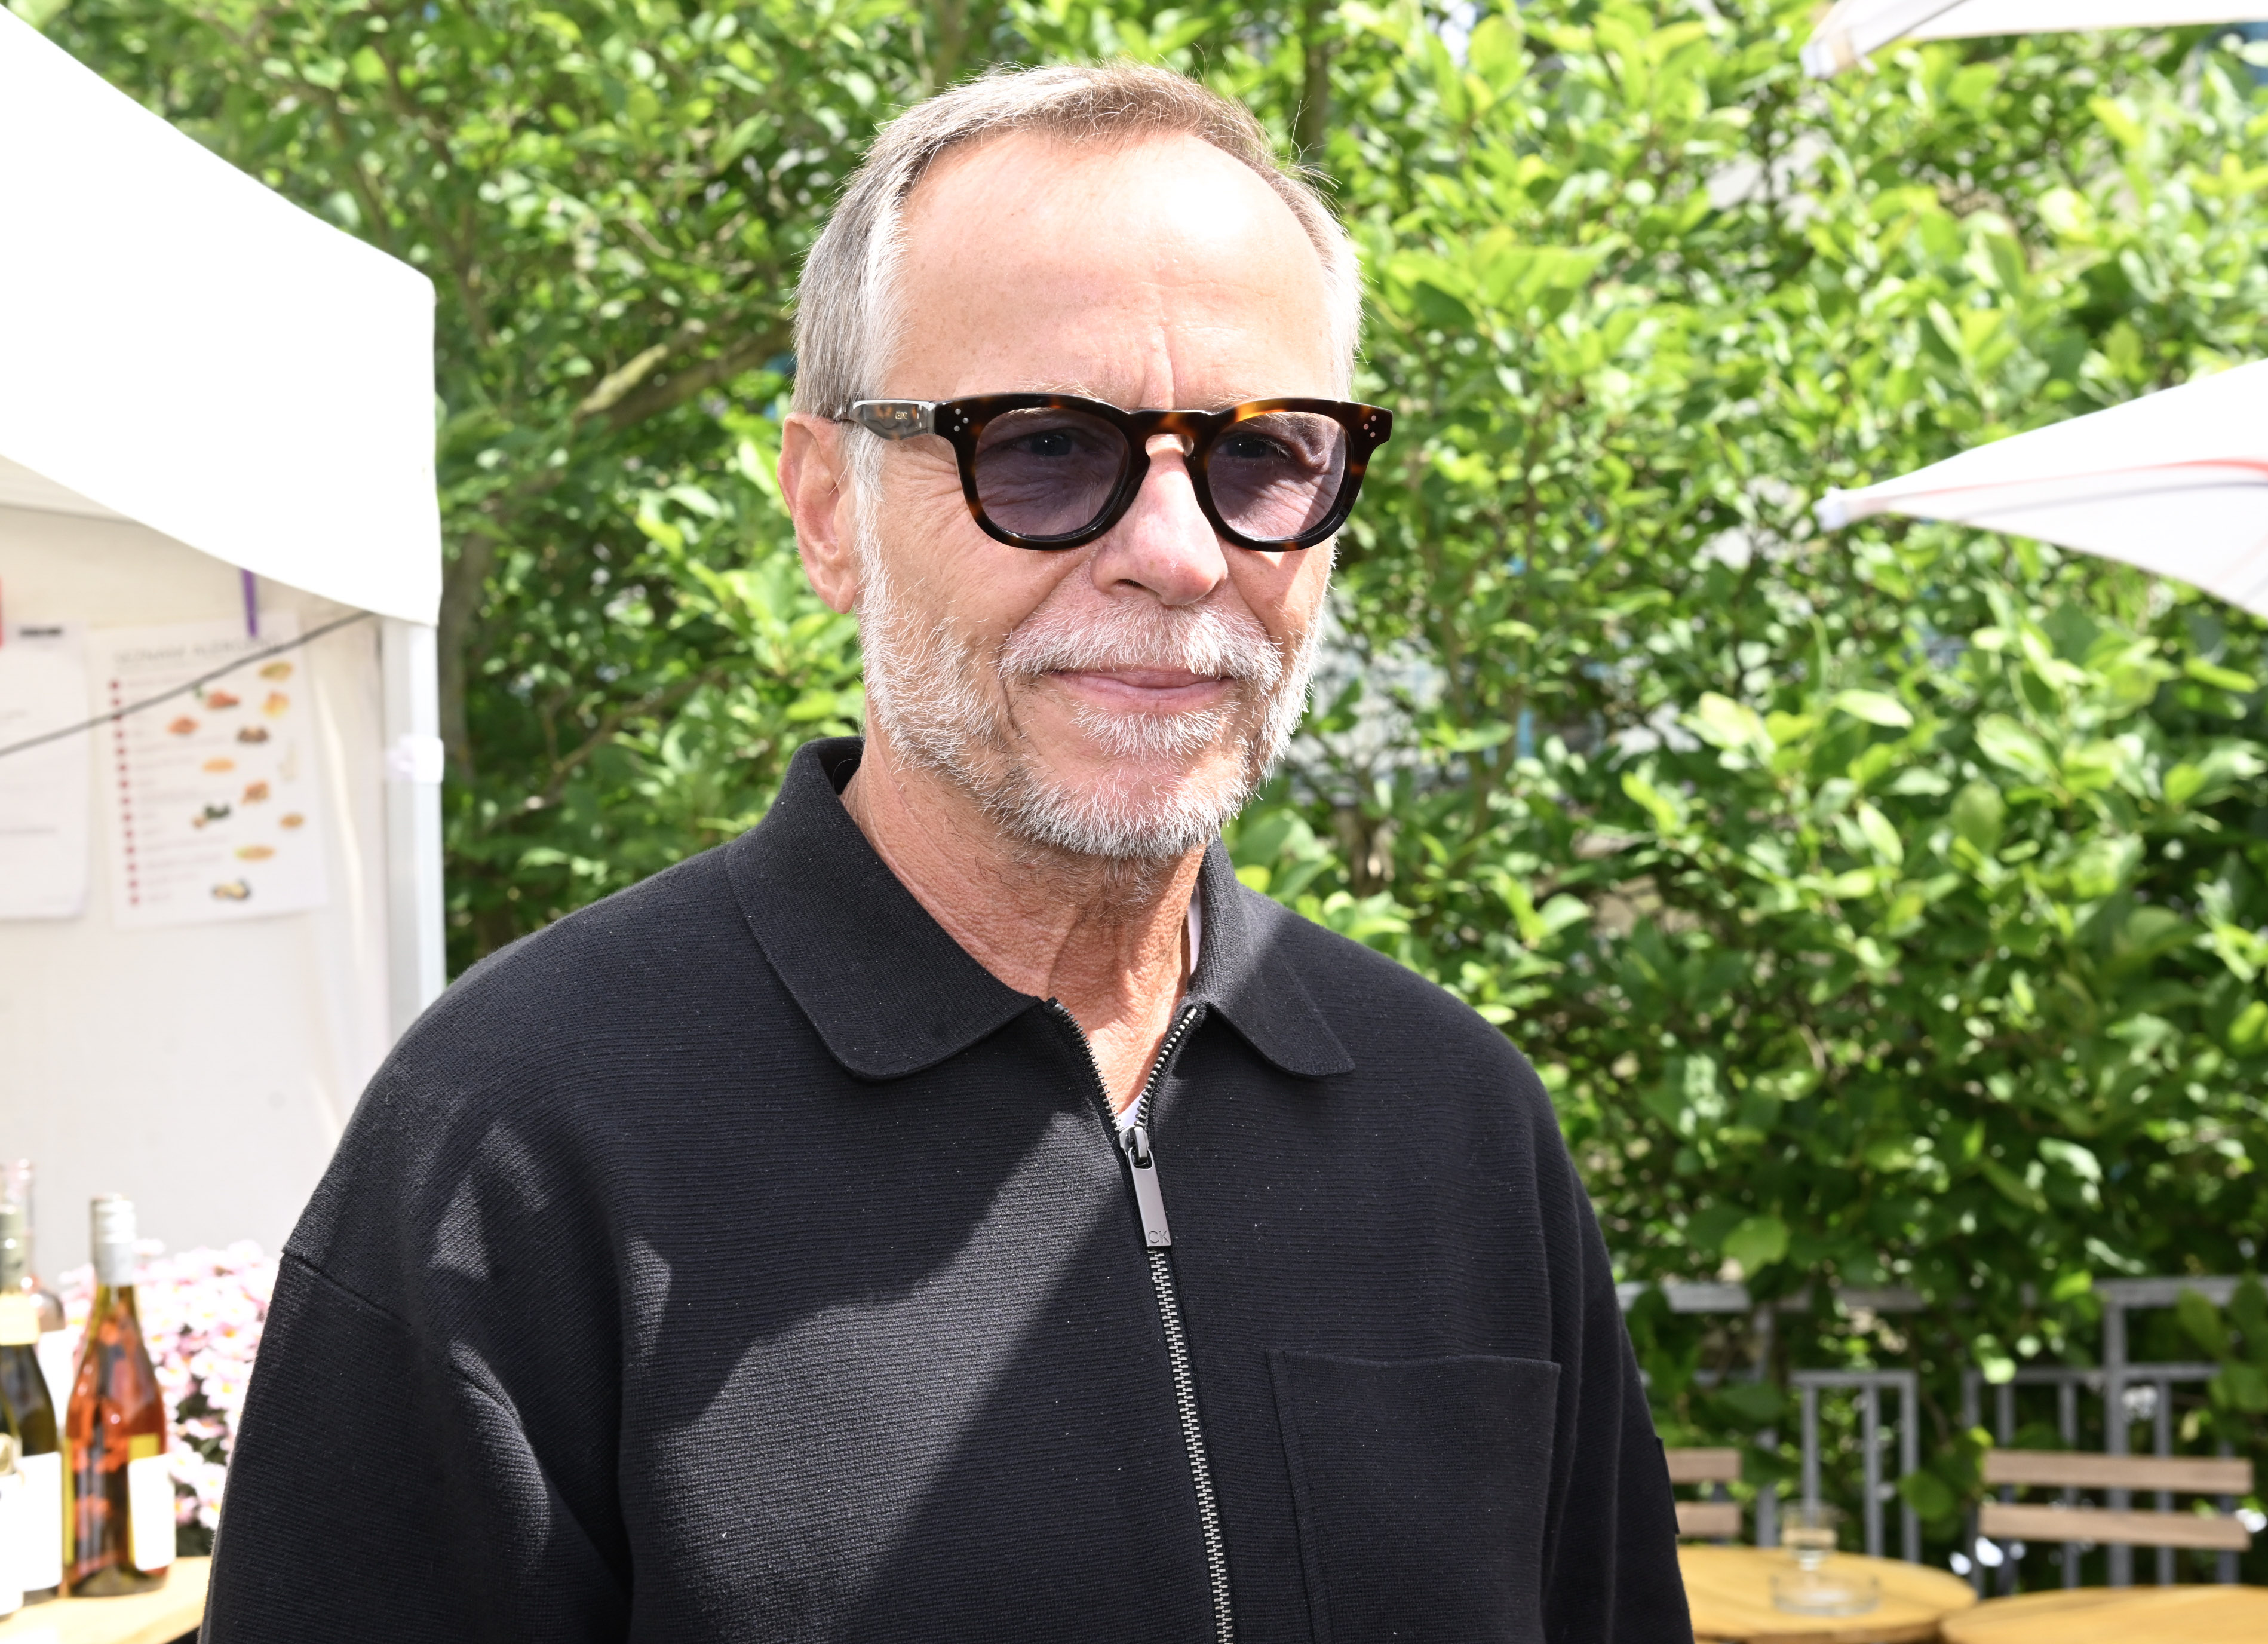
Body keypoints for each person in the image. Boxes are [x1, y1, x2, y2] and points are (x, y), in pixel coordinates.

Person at [202, 62, 1689, 1643]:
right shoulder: (515, 1143)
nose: (1179, 554)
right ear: (826, 511)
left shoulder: (1459, 1124)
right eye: (1043, 448)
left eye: (1264, 456)